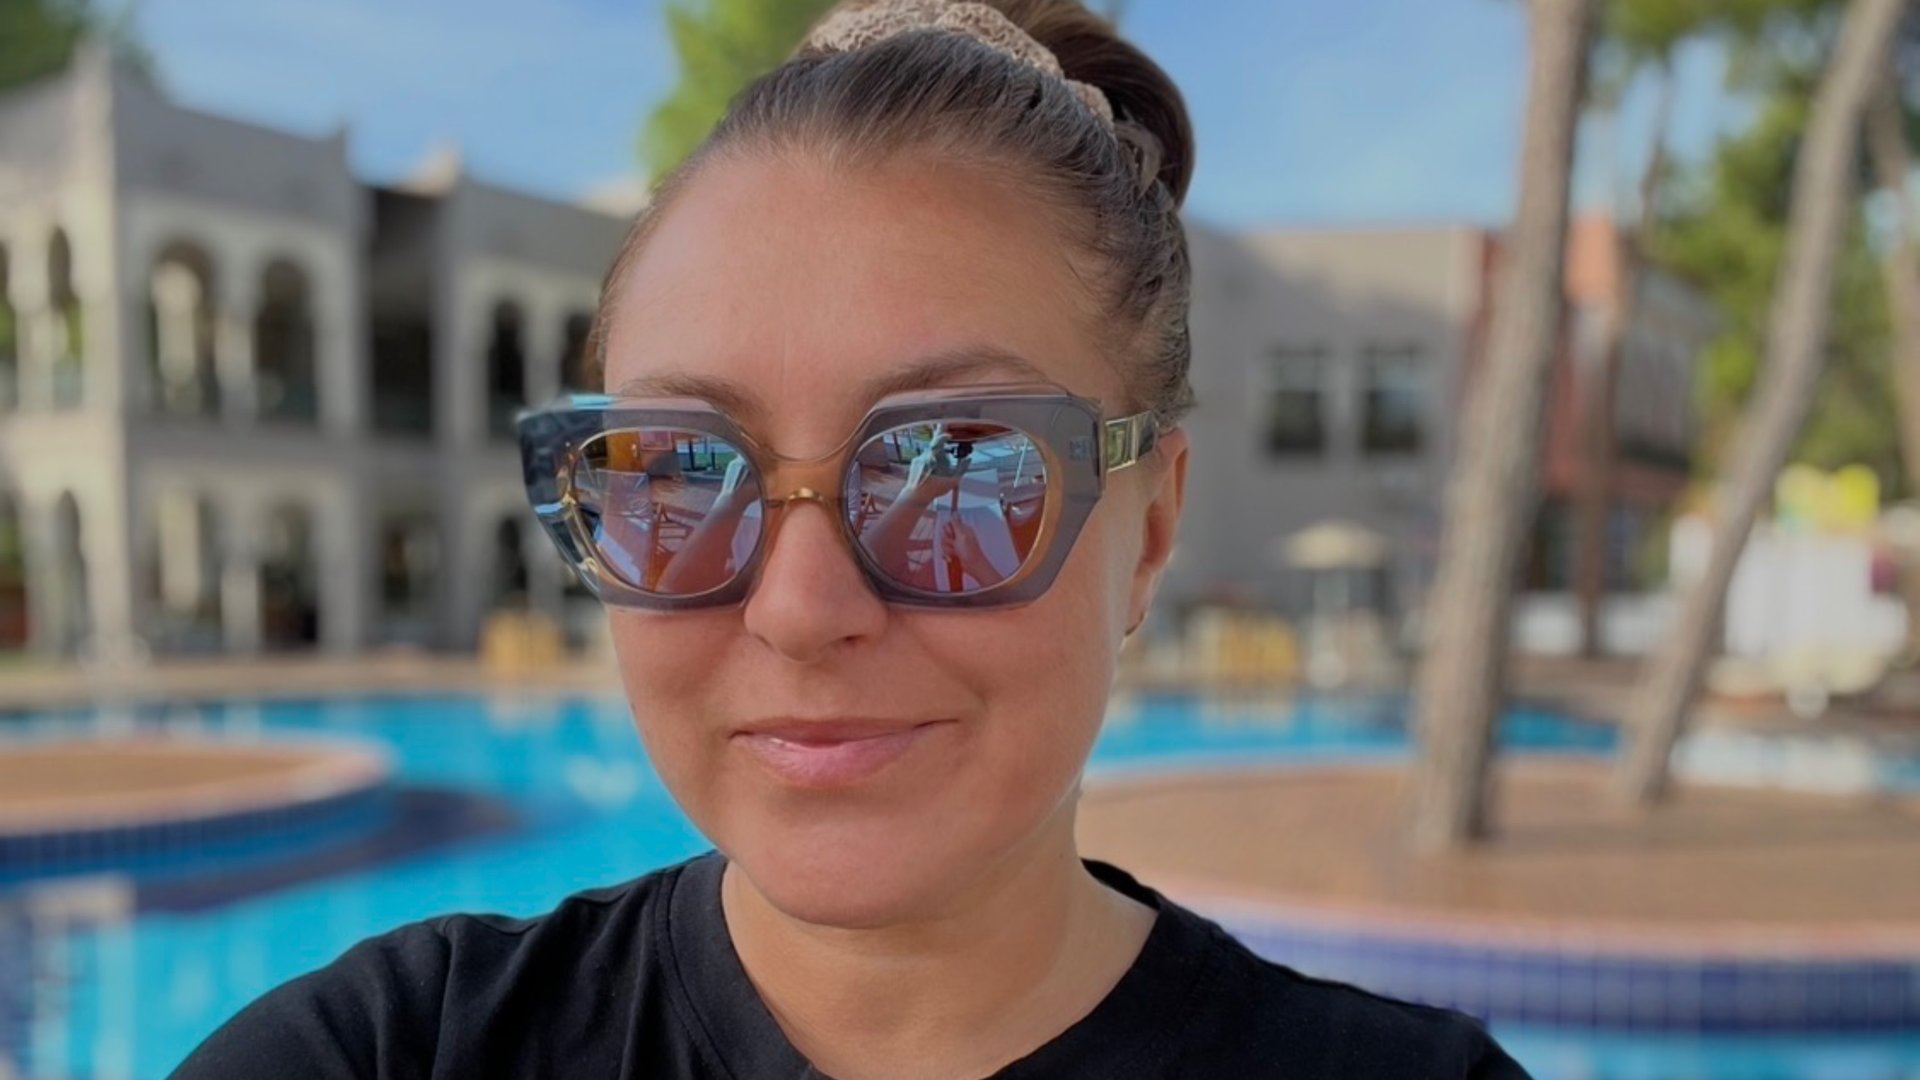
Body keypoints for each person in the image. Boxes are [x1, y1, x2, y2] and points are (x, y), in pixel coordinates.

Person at [171, 1, 1531, 1077]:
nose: (799, 608)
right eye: (682, 474)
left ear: (1152, 527)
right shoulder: (389, 1053)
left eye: (957, 468)